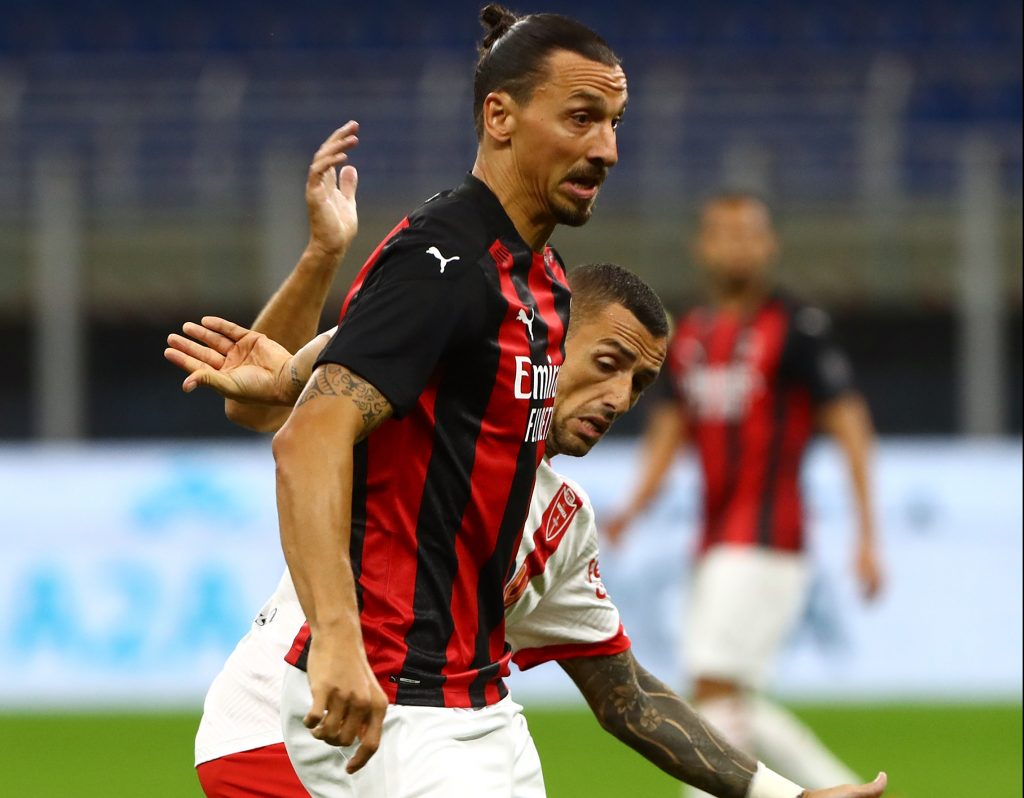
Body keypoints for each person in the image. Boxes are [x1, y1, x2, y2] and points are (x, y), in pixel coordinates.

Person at [168, 147, 887, 796]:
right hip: (281, 731)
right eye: (607, 363)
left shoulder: (561, 524)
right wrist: (322, 261)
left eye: (638, 386)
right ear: (548, 334)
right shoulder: (430, 387)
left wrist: (785, 795)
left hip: (435, 721)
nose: (618, 398)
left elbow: (627, 698)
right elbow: (272, 410)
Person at [180, 5, 628, 796]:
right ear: (501, 117)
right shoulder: (443, 262)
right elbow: (300, 435)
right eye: (582, 118)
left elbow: (290, 394)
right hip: (369, 701)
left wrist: (289, 374)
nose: (607, 148)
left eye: (614, 123)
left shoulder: (537, 284)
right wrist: (338, 637)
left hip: (450, 702)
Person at [604, 192, 884, 795]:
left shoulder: (798, 328)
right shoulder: (691, 333)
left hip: (769, 535)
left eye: (749, 233)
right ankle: (841, 790)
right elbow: (669, 430)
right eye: (724, 234)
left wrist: (867, 534)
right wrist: (633, 508)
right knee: (730, 698)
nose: (737, 246)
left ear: (769, 244)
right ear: (702, 247)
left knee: (712, 687)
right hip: (715, 538)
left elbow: (850, 424)